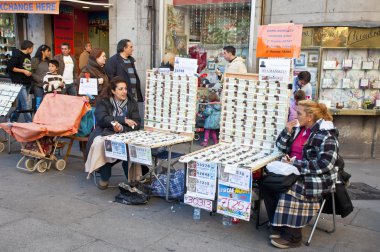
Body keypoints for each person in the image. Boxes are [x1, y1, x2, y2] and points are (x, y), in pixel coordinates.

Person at [263, 100, 339, 249]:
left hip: (316, 177)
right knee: (267, 184)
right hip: (294, 170)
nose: (295, 116)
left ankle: (293, 237)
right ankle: (278, 225)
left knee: (290, 189)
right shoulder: (299, 129)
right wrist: (287, 131)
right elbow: (280, 147)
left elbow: (326, 164)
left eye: (299, 113)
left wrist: (296, 164)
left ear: (310, 116)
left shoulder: (326, 135)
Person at [85, 76, 141, 190]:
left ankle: (132, 181)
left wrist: (122, 129)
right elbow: (102, 119)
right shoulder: (104, 102)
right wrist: (122, 120)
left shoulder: (131, 103)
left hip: (125, 133)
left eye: (125, 89)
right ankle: (104, 178)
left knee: (131, 147)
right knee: (102, 145)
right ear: (113, 91)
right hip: (105, 132)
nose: (124, 91)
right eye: (120, 89)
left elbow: (137, 123)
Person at [8, 40, 34, 123]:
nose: (32, 50)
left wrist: (29, 72)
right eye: (32, 48)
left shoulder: (28, 56)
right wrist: (24, 71)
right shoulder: (17, 55)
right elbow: (10, 68)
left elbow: (27, 67)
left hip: (28, 82)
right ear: (28, 48)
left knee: (21, 104)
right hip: (19, 82)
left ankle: (13, 119)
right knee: (25, 104)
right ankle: (29, 122)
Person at [31, 44, 51, 109]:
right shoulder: (34, 60)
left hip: (47, 86)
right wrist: (40, 79)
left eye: (50, 51)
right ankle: (37, 118)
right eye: (48, 51)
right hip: (38, 85)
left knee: (46, 103)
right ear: (42, 52)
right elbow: (31, 73)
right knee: (38, 103)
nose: (49, 53)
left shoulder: (48, 61)